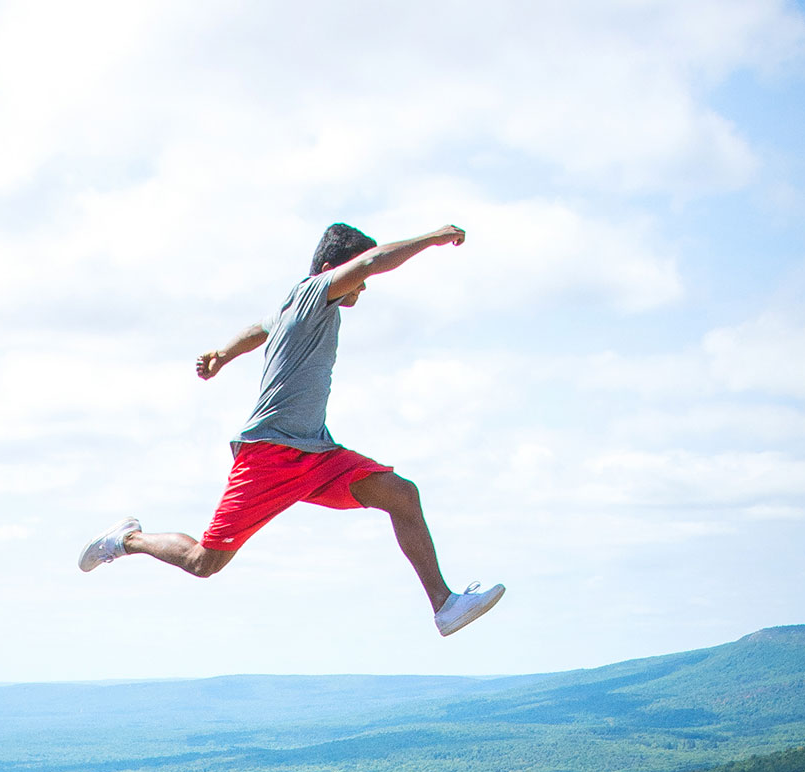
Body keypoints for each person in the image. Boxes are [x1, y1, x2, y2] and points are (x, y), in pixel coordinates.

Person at [78, 222, 504, 637]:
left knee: (402, 494)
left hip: (316, 454)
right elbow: (373, 261)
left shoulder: (294, 306)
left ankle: (444, 606)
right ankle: (126, 540)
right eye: (357, 277)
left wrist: (222, 354)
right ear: (335, 269)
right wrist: (435, 237)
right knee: (203, 561)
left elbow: (258, 329)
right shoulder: (314, 292)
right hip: (269, 454)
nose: (364, 287)